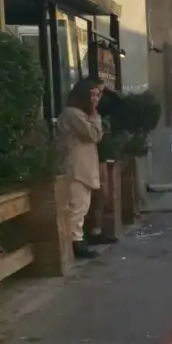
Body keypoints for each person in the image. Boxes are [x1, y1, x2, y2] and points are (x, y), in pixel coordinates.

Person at [58, 77, 105, 259]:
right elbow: (93, 134)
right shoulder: (73, 114)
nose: (95, 99)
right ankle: (74, 243)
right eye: (92, 95)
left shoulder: (79, 113)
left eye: (97, 95)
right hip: (76, 168)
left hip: (83, 167)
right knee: (76, 206)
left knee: (82, 206)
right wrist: (94, 114)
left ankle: (76, 240)